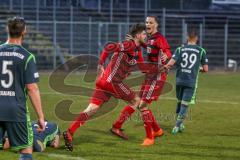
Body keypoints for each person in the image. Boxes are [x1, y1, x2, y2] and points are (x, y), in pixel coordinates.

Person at [63, 23, 148, 151]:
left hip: (104, 81)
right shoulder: (129, 45)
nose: (146, 36)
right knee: (136, 100)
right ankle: (117, 127)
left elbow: (142, 67)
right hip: (113, 82)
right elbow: (109, 47)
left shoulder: (137, 49)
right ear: (137, 35)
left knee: (92, 109)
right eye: (144, 34)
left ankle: (70, 131)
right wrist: (100, 64)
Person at [111, 15, 172, 146]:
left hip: (157, 76)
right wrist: (134, 40)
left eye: (150, 22)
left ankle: (150, 138)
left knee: (142, 105)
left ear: (156, 25)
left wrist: (167, 61)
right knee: (139, 103)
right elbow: (148, 46)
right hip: (150, 75)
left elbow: (167, 52)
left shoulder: (160, 38)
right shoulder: (151, 40)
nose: (147, 24)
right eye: (146, 22)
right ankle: (157, 130)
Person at [0, 17, 45, 160]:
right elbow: (32, 89)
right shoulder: (27, 57)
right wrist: (40, 116)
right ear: (24, 31)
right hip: (16, 110)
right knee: (26, 149)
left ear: (7, 29)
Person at [163, 29, 208, 134]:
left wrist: (164, 67)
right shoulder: (201, 51)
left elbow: (170, 64)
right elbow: (205, 69)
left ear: (187, 37)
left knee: (179, 102)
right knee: (185, 104)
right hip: (190, 81)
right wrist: (198, 68)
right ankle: (176, 126)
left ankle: (180, 123)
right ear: (197, 38)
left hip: (179, 80)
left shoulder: (180, 49)